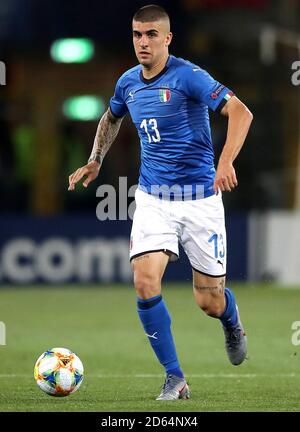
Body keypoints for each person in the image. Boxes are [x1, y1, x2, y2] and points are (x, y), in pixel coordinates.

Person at [68, 4, 253, 401]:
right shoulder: (128, 83)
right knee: (144, 281)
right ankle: (175, 377)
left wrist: (225, 162)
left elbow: (241, 111)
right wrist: (95, 159)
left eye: (151, 34)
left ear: (168, 38)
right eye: (137, 34)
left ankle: (230, 319)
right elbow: (111, 116)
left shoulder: (188, 76)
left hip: (201, 201)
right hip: (154, 200)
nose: (143, 42)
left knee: (207, 300)